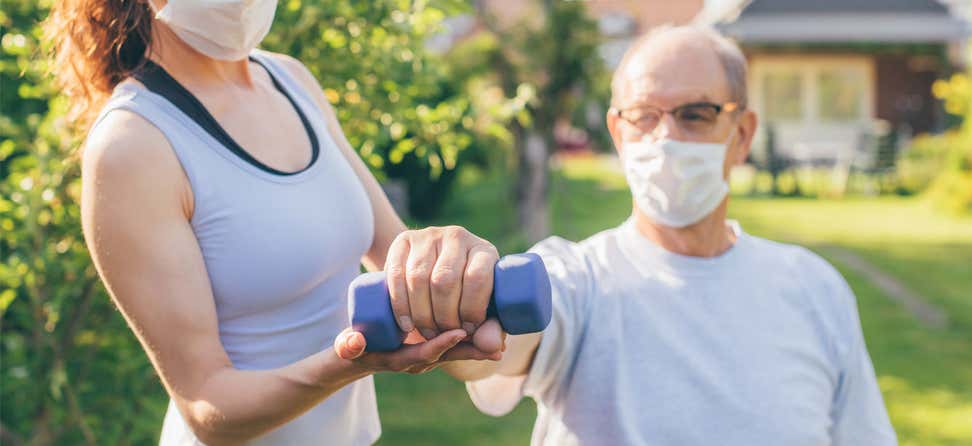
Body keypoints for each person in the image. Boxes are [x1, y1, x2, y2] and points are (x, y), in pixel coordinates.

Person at [366, 26, 898, 445]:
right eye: (644, 116)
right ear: (619, 133)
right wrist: (455, 283)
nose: (665, 138)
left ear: (741, 135)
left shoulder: (814, 288)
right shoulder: (575, 280)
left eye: (695, 114)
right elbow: (496, 344)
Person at [49, 1, 503, 444]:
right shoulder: (132, 145)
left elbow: (399, 256)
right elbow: (207, 407)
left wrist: (450, 266)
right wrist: (351, 362)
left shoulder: (290, 79)